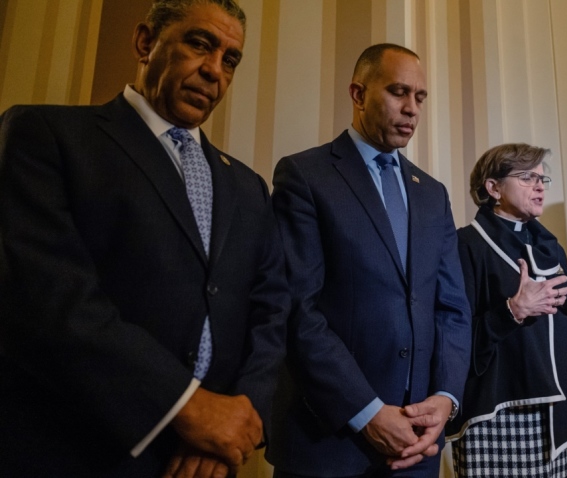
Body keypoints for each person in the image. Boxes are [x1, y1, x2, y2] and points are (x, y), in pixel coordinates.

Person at [0, 1, 288, 476]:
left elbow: (272, 309)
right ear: (145, 42)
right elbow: (49, 297)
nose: (214, 70)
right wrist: (188, 409)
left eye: (230, 59)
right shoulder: (45, 134)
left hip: (211, 461)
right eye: (200, 43)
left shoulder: (248, 186)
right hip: (81, 449)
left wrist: (234, 421)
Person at [267, 43, 471, 477]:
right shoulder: (305, 176)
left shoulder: (432, 194)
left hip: (417, 447)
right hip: (330, 444)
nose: (412, 109)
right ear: (358, 94)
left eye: (419, 97)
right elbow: (298, 310)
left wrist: (445, 399)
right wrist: (368, 413)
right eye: (399, 92)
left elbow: (453, 310)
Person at [446, 143, 567, 477]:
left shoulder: (549, 247)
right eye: (527, 177)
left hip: (552, 416)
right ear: (493, 188)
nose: (540, 186)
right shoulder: (466, 244)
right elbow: (452, 341)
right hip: (494, 416)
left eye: (543, 178)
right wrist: (512, 310)